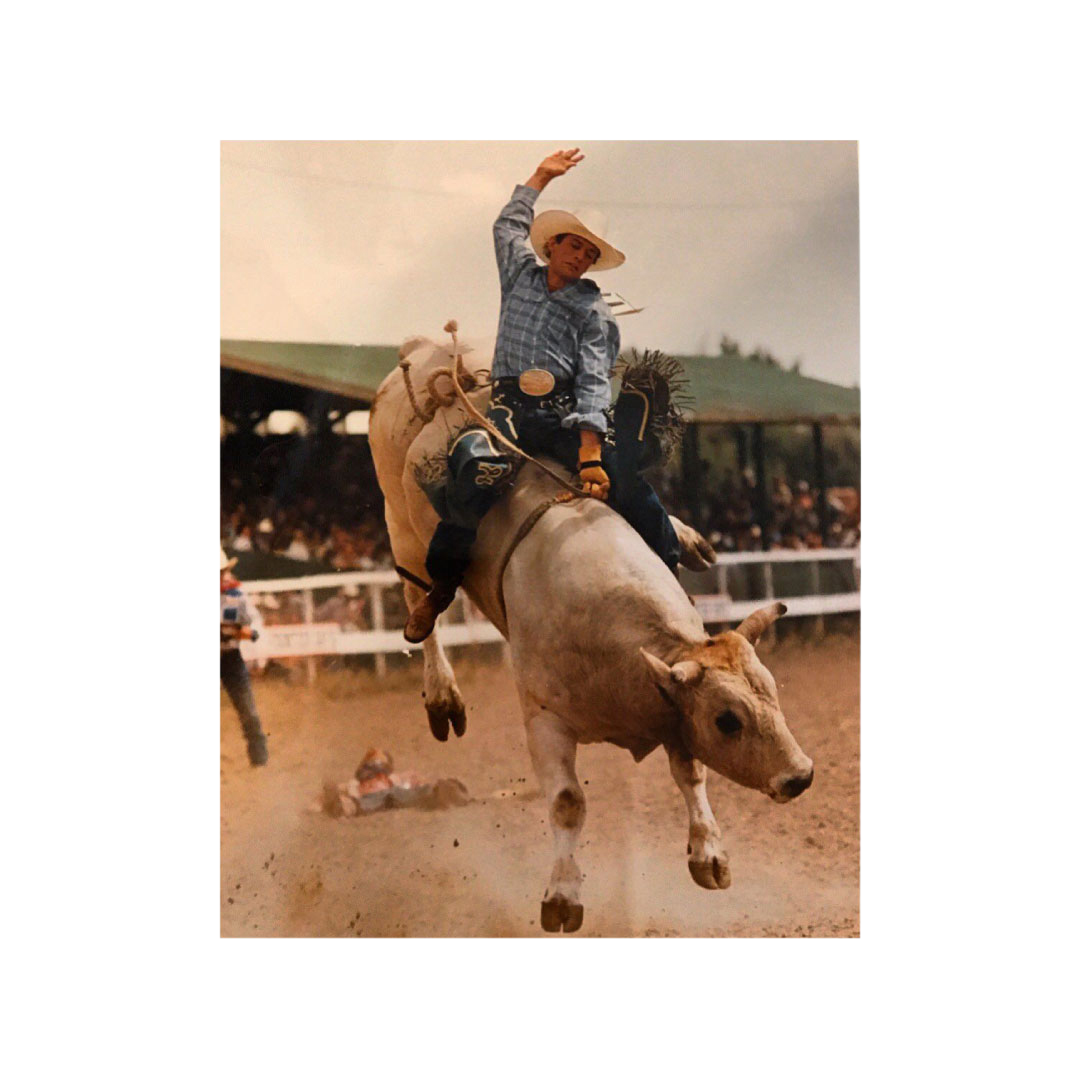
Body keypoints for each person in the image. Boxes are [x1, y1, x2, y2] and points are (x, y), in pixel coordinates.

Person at [405, 148, 680, 643]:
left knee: (626, 481)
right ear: (552, 244)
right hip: (508, 410)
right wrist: (538, 178)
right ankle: (441, 586)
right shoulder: (520, 275)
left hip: (563, 415)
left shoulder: (594, 310)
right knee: (471, 474)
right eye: (574, 246)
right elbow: (505, 227)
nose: (579, 258)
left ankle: (673, 576)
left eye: (589, 254)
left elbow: (595, 378)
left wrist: (591, 454)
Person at [219, 547, 269, 766]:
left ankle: (260, 760)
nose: (222, 576)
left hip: (230, 655)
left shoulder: (235, 594)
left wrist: (239, 631)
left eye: (222, 571)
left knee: (248, 710)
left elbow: (254, 623)